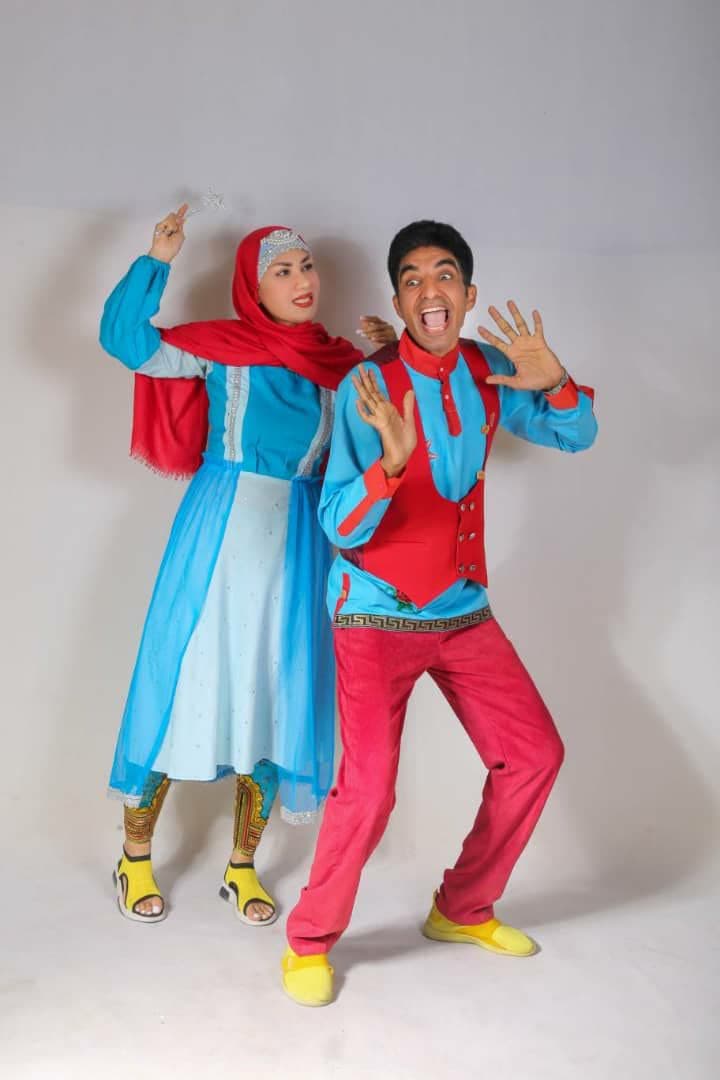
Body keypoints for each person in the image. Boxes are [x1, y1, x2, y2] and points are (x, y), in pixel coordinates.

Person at [282, 219, 598, 1004]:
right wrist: (389, 467)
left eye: (445, 274)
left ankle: (463, 908)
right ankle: (310, 940)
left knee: (534, 754)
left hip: (462, 611)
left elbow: (578, 434)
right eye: (413, 279)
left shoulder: (489, 368)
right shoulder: (368, 385)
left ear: (468, 293)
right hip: (374, 614)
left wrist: (556, 380)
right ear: (398, 300)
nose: (431, 289)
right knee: (369, 791)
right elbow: (338, 524)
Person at [100, 205, 395, 925]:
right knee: (184, 685)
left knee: (275, 697)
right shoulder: (221, 350)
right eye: (282, 271)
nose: (301, 280)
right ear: (252, 288)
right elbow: (125, 340)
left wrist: (394, 359)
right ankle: (133, 858)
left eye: (307, 267)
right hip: (219, 536)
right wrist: (158, 257)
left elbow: (388, 437)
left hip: (299, 545)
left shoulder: (343, 369)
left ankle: (241, 867)